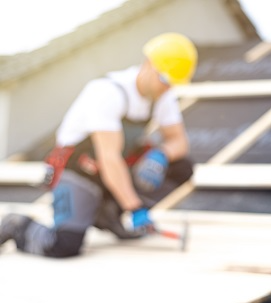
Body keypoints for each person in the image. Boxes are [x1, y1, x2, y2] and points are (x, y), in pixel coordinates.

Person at [0, 32, 197, 258]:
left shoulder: (162, 97)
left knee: (181, 166)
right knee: (64, 245)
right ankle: (15, 225)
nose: (167, 88)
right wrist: (135, 208)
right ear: (148, 65)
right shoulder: (108, 92)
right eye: (163, 80)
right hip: (78, 171)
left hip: (111, 172)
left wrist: (161, 154)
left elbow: (179, 141)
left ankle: (108, 215)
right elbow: (109, 158)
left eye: (172, 84)